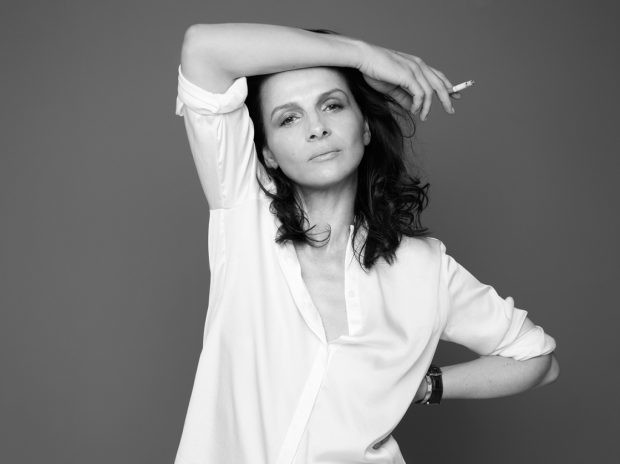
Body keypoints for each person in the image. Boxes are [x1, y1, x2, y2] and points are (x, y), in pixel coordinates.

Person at [173, 23, 559, 464]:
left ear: (366, 128)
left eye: (332, 105)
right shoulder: (243, 210)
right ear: (268, 154)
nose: (317, 128)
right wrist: (361, 55)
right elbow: (202, 48)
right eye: (289, 118)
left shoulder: (422, 268)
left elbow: (538, 360)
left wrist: (424, 386)